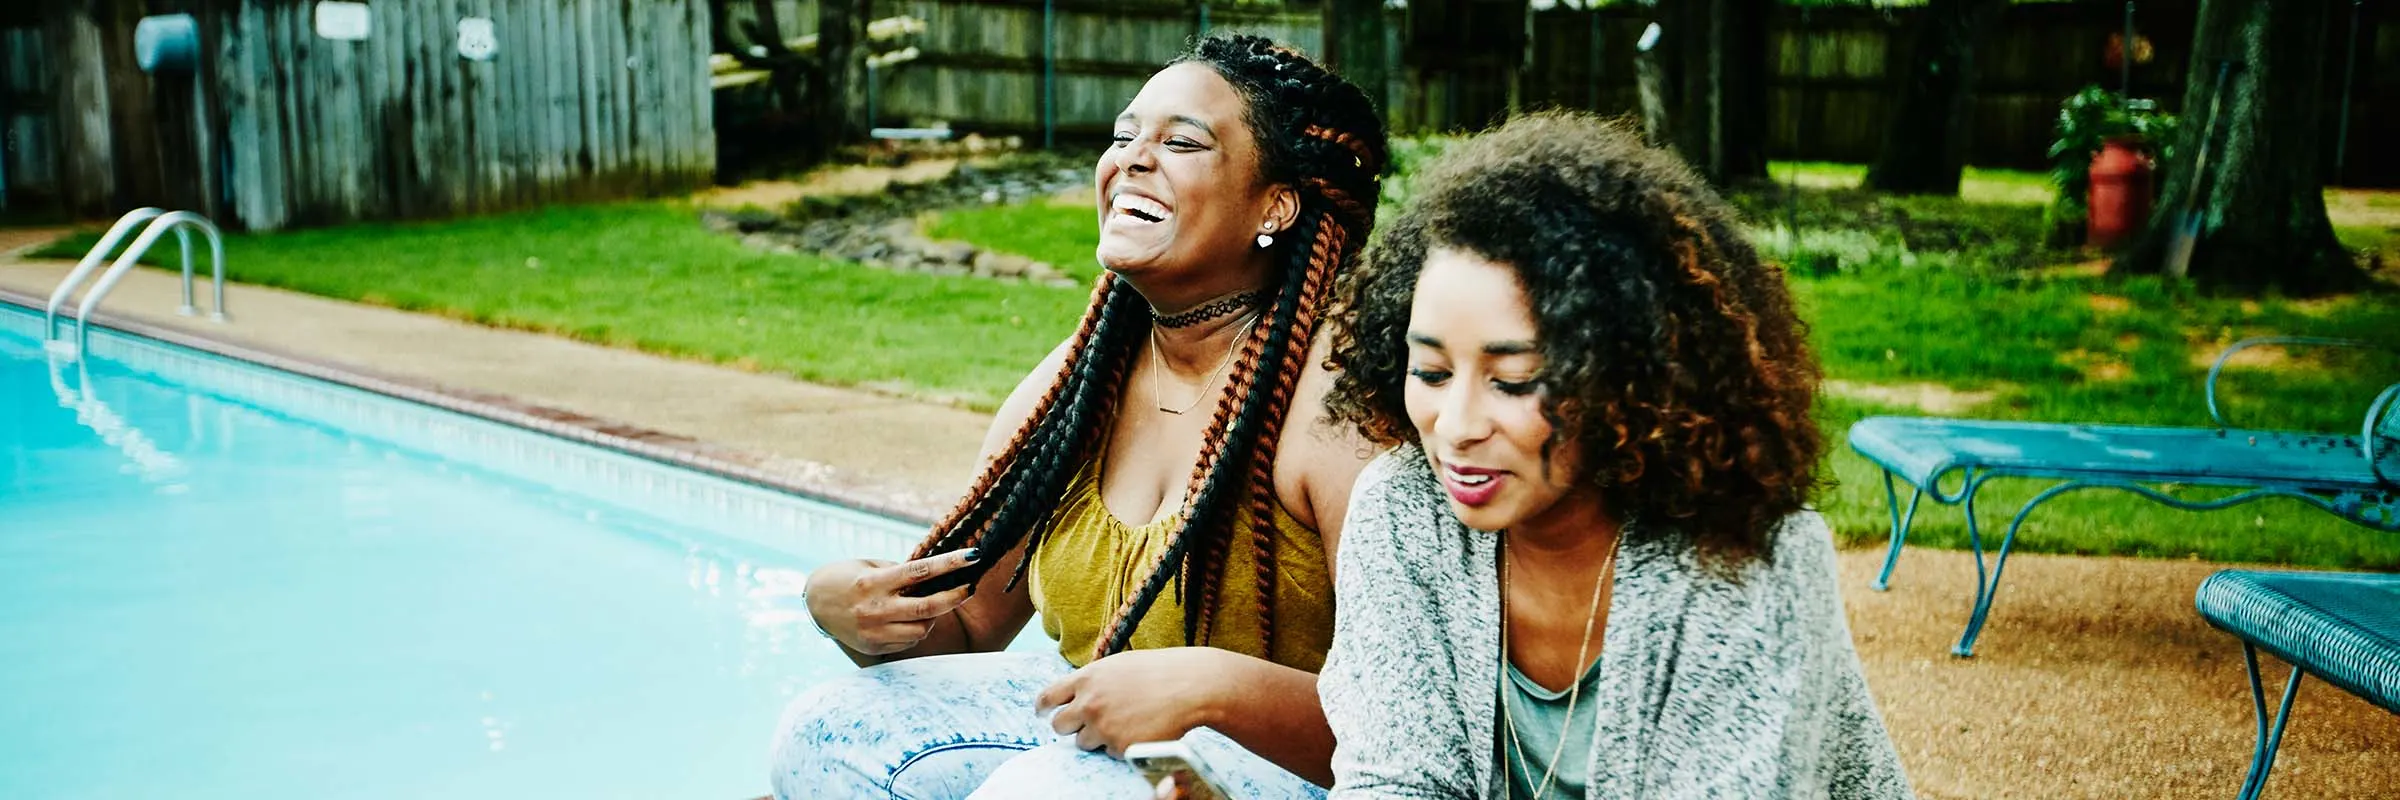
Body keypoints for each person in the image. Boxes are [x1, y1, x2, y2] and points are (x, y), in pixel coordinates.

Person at [771, 34, 1388, 799]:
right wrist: (838, 605)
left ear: (1277, 204)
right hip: (1098, 745)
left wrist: (1214, 690)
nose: (1130, 158)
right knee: (824, 739)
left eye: (1181, 141)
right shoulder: (1080, 380)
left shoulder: (1342, 405)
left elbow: (1417, 733)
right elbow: (966, 630)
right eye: (1124, 135)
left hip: (1306, 776)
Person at [1315, 112, 1913, 799]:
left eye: (1514, 382)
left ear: (1630, 378)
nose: (1456, 427)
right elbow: (1395, 782)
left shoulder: (1749, 554)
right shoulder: (1404, 510)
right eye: (1431, 372)